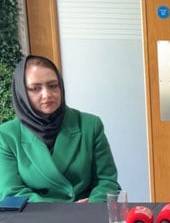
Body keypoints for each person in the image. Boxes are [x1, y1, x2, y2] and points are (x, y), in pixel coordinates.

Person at [0, 55, 120, 202]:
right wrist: (66, 210)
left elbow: (107, 181)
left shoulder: (90, 125)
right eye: (35, 88)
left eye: (52, 85)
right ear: (22, 93)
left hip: (88, 215)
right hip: (36, 218)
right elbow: (11, 192)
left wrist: (90, 208)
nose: (47, 94)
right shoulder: (7, 135)